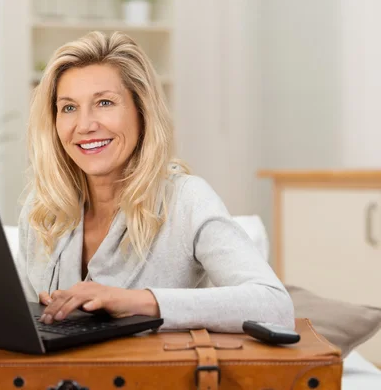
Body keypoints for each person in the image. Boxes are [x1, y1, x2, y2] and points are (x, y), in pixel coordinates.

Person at [15, 31, 294, 332]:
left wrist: (136, 302)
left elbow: (274, 305)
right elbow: (21, 321)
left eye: (105, 103)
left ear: (141, 111)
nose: (85, 125)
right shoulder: (42, 210)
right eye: (68, 108)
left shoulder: (186, 200)